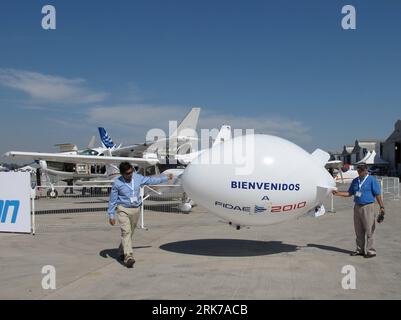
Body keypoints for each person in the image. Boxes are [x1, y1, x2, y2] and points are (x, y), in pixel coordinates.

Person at [108, 162, 173, 268]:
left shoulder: (138, 178)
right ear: (122, 174)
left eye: (131, 172)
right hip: (123, 209)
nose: (130, 175)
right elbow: (112, 200)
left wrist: (165, 178)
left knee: (130, 233)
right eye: (128, 173)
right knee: (126, 232)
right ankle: (128, 257)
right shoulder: (117, 183)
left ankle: (121, 251)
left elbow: (151, 180)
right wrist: (111, 215)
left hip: (135, 209)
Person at [333, 163, 385, 258]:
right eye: (358, 169)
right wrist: (337, 193)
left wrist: (382, 207)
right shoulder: (355, 181)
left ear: (366, 170)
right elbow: (349, 193)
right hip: (357, 207)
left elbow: (377, 194)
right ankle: (360, 250)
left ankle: (371, 251)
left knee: (369, 230)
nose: (359, 171)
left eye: (361, 169)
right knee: (358, 230)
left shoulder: (371, 180)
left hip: (368, 206)